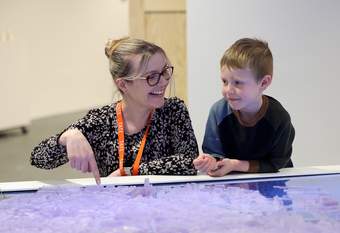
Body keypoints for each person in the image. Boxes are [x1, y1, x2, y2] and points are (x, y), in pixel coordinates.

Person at [31, 37, 199, 184]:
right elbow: (38, 158)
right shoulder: (102, 120)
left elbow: (190, 161)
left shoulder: (173, 110)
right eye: (152, 77)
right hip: (116, 212)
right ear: (123, 84)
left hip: (165, 207)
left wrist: (130, 172)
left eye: (164, 72)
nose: (163, 82)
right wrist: (67, 137)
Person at [193, 38, 295, 177]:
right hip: (232, 184)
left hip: (272, 182)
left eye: (238, 83)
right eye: (224, 81)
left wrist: (236, 164)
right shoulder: (218, 112)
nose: (228, 90)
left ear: (264, 83)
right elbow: (214, 153)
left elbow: (277, 163)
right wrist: (210, 161)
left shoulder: (279, 118)